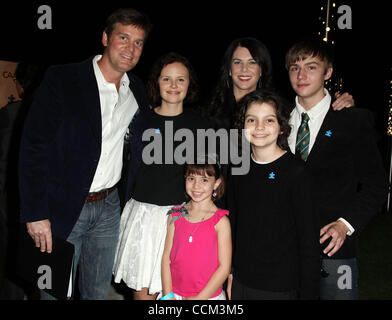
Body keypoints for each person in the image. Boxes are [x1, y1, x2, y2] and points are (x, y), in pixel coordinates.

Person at [18, 8, 153, 300]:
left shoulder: (137, 91)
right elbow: (33, 147)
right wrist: (36, 212)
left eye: (139, 42)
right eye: (123, 37)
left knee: (96, 293)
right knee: (53, 293)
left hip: (109, 209)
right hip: (62, 208)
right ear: (105, 37)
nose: (131, 48)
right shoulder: (63, 79)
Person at [285, 39, 388, 299]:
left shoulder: (352, 120)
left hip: (335, 253)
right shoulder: (277, 120)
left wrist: (345, 225)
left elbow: (376, 186)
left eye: (311, 67)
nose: (302, 75)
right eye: (295, 68)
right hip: (286, 252)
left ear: (328, 72)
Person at [112, 52, 209, 300]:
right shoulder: (141, 120)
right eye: (167, 79)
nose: (174, 86)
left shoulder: (200, 124)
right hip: (144, 218)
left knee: (177, 296)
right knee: (143, 294)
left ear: (190, 84)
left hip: (181, 219)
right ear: (157, 83)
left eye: (181, 80)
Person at [227, 89, 320, 300]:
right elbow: (234, 224)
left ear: (281, 128)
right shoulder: (238, 168)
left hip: (280, 286)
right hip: (242, 281)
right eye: (251, 120)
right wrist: (231, 273)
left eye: (269, 120)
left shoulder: (297, 173)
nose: (259, 127)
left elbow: (309, 243)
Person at [205, 37, 355, 131]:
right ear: (229, 69)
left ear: (262, 69)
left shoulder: (281, 110)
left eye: (252, 62)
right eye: (237, 62)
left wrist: (340, 103)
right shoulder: (208, 113)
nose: (244, 69)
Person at [0, 62, 45, 299]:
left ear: (19, 86)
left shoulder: (9, 114)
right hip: (44, 203)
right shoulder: (50, 113)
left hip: (11, 201)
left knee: (13, 263)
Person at [161, 157, 232, 300]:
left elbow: (224, 268)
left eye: (204, 180)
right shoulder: (175, 214)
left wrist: (199, 299)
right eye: (191, 178)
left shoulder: (221, 221)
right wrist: (168, 295)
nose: (196, 186)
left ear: (216, 183)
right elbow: (166, 258)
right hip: (175, 295)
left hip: (207, 297)